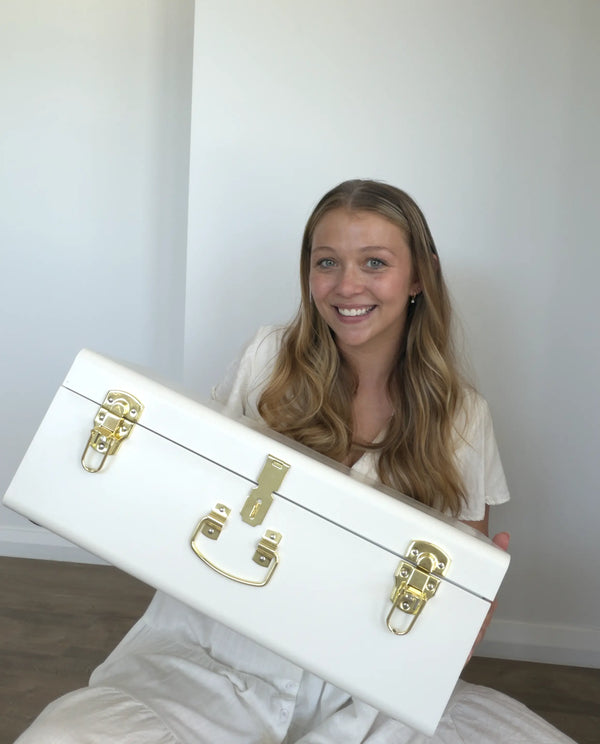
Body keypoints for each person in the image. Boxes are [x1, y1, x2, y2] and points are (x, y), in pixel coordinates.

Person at [15, 180, 574, 743]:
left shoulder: (464, 417)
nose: (346, 285)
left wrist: (467, 619)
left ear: (419, 277)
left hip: (365, 693)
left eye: (375, 262)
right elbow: (191, 487)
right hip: (212, 659)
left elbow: (457, 590)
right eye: (327, 262)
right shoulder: (267, 359)